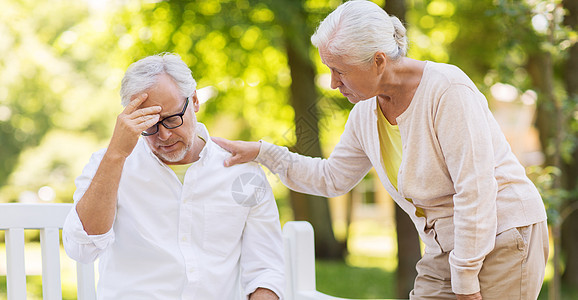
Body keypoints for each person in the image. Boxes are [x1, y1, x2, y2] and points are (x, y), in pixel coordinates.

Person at [212, 1, 548, 299]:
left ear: (378, 61)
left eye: (340, 70)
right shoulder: (364, 115)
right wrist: (262, 152)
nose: (332, 83)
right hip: (446, 247)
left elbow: (474, 189)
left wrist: (465, 279)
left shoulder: (447, 90)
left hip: (503, 234)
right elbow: (331, 178)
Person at [62, 53, 284, 300]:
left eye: (171, 119)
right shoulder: (109, 165)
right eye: (149, 125)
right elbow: (82, 249)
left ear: (195, 101)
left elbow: (265, 271)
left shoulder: (243, 173)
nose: (164, 136)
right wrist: (116, 155)